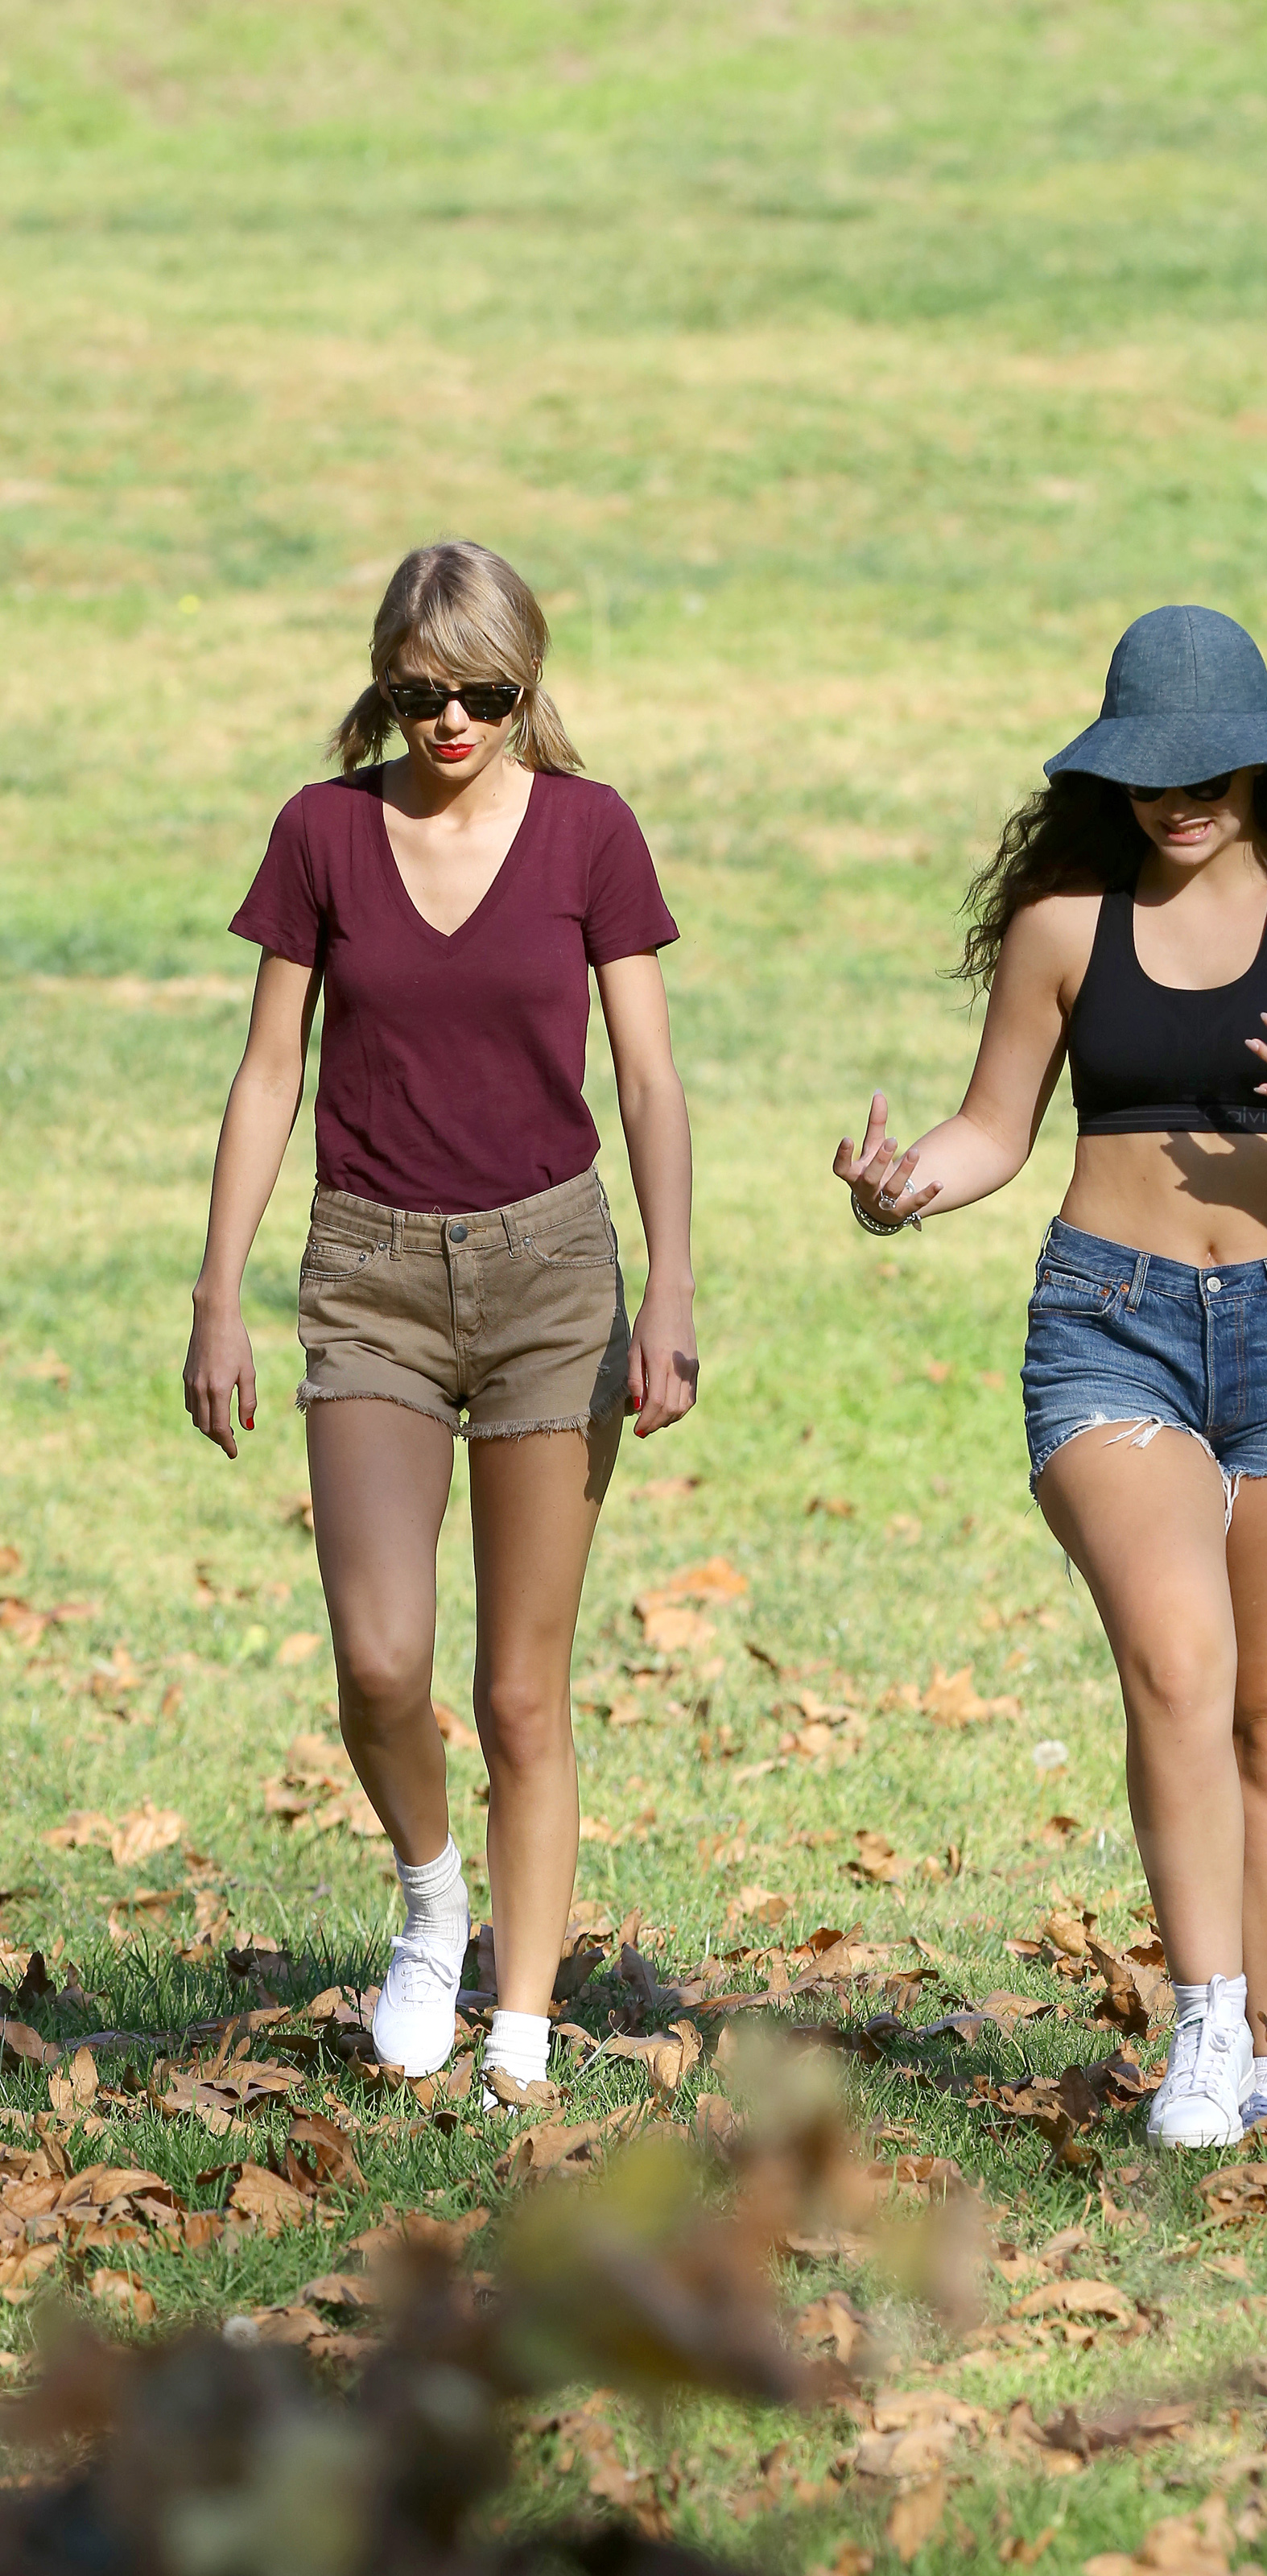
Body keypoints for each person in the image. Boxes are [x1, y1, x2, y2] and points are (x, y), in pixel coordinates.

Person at [834, 605, 1267, 2148]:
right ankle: (1206, 2026)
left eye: (1206, 770)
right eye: (1150, 773)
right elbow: (993, 1127)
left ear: (1261, 763)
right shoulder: (1064, 921)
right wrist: (905, 1188)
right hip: (1111, 1327)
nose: (1178, 797)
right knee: (1173, 1659)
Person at [184, 540, 696, 2104]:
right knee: (380, 1659)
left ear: (527, 688)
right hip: (372, 1275)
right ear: (385, 690)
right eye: (420, 696)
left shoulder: (591, 834)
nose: (452, 722)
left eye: (484, 693)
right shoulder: (324, 833)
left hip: (553, 1277)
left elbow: (647, 1077)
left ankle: (520, 2027)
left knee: (521, 1690)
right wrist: (218, 1293)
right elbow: (269, 1071)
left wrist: (671, 1284)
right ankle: (428, 1896)